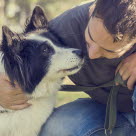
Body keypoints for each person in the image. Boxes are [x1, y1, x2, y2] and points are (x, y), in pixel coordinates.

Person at [0, 0, 136, 136]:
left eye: (108, 50)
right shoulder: (62, 28)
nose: (91, 54)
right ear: (91, 9)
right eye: (90, 39)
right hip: (107, 111)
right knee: (54, 129)